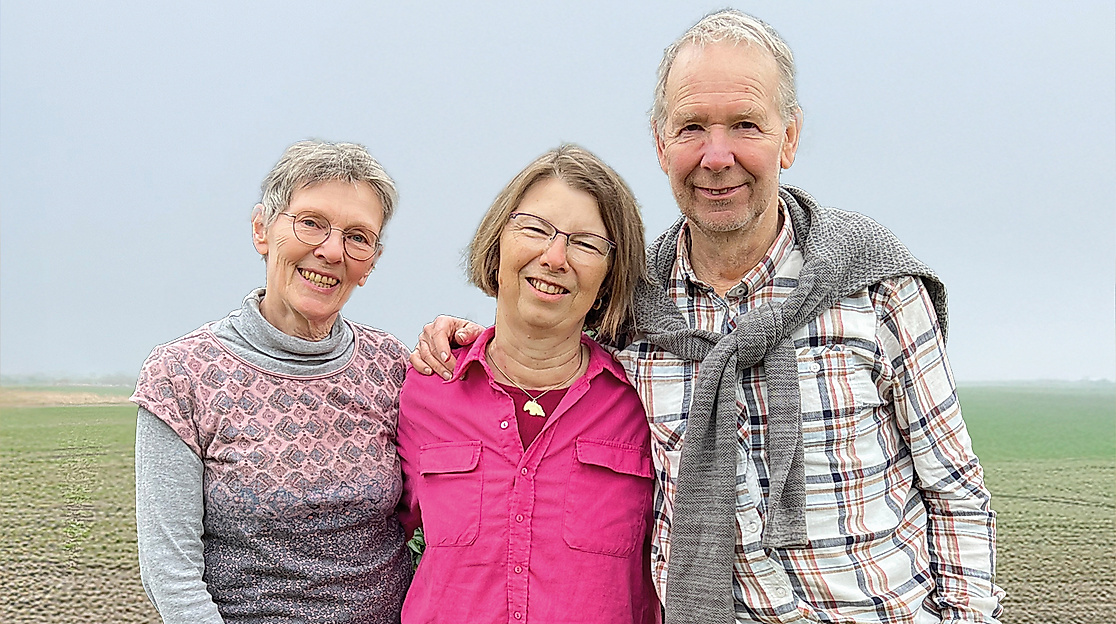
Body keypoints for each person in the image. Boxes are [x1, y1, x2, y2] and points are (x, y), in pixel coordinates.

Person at [411, 10, 1005, 624]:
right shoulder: (631, 307)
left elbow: (955, 492)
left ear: (790, 137)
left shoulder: (877, 289)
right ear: (660, 142)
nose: (716, 155)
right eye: (692, 127)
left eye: (745, 125)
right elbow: (540, 331)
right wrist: (459, 340)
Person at [131, 140, 412, 623]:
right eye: (310, 223)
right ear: (262, 229)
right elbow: (171, 571)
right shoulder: (182, 375)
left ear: (372, 262)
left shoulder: (392, 366)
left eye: (358, 237)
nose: (330, 251)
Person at [396, 144, 658, 624]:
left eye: (584, 243)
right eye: (535, 229)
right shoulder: (422, 386)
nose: (554, 257)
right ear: (498, 246)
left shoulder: (646, 401)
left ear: (609, 276)